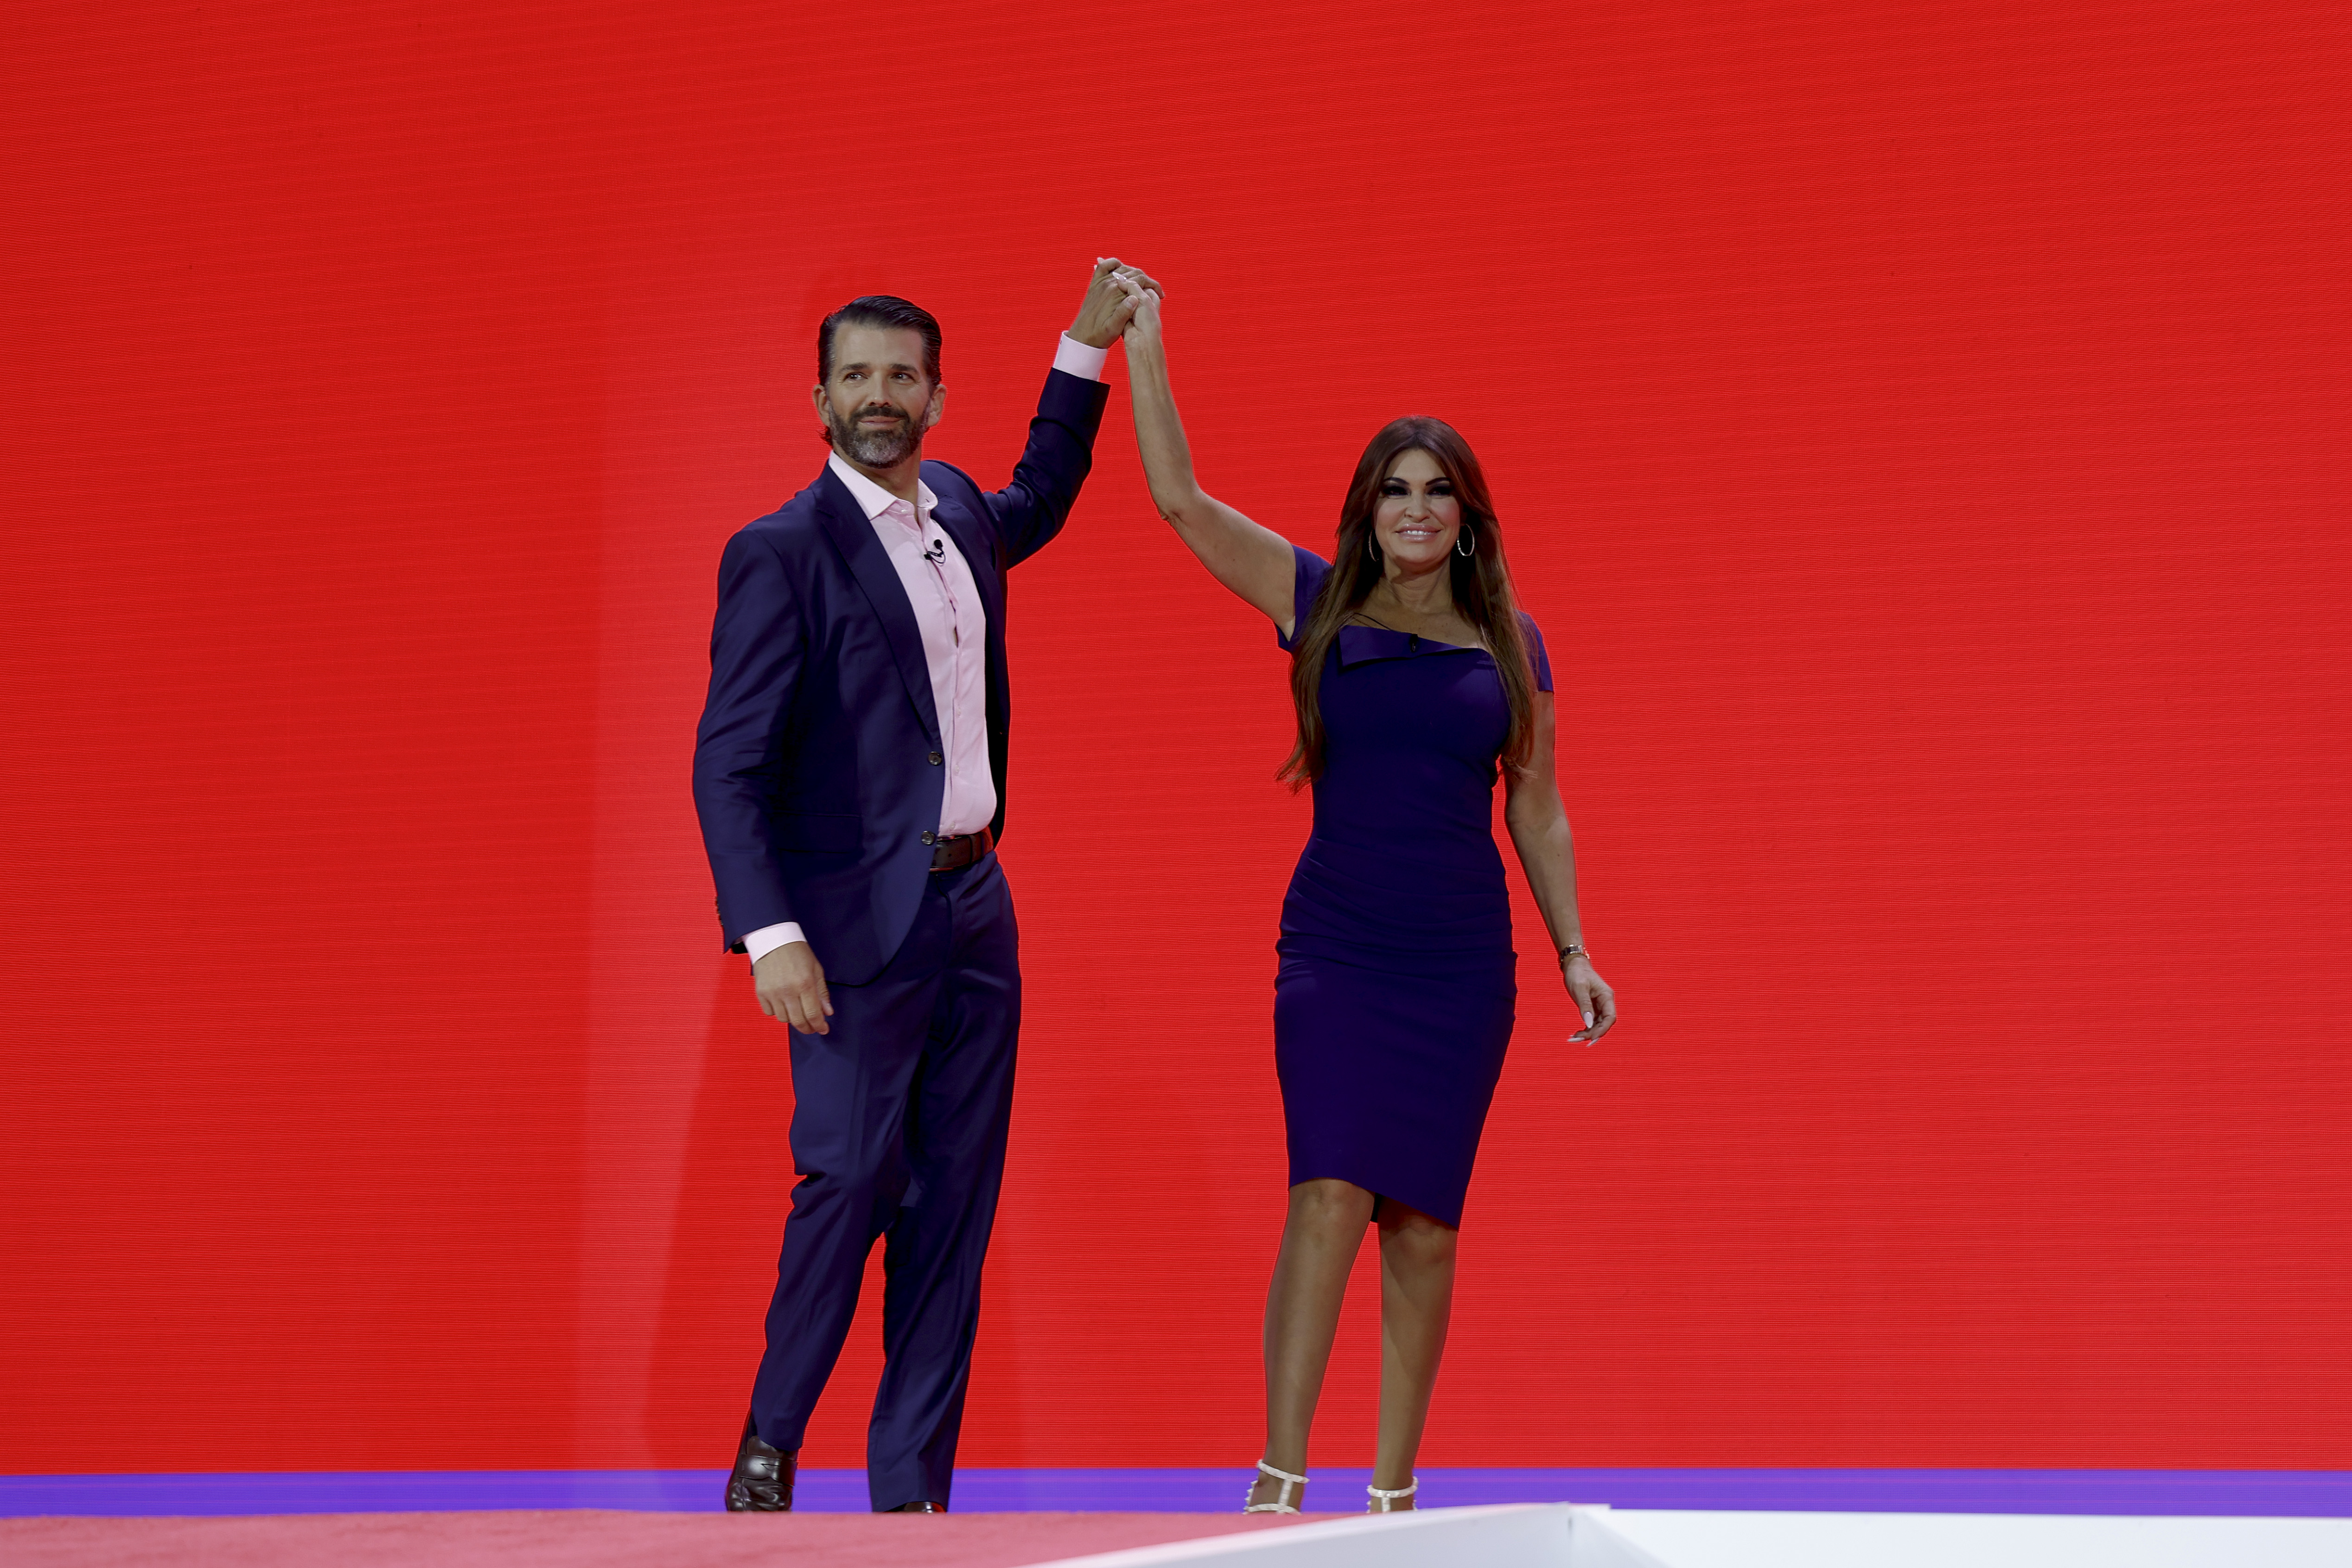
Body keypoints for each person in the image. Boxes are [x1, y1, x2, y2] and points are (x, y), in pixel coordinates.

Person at [1114, 276, 1619, 1515]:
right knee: (1329, 1189)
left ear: (1465, 516)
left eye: (1434, 489)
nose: (1413, 507)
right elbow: (1179, 503)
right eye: (1393, 488)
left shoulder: (1513, 645)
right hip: (1336, 952)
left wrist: (1572, 949)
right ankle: (1278, 1486)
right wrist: (1143, 346)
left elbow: (1535, 806)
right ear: (1366, 510)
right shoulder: (1315, 602)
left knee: (1425, 1226)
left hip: (1459, 964)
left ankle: (1391, 1499)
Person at [692, 261, 1153, 1514]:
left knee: (952, 1202)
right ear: (818, 401)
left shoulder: (954, 509)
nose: (878, 397)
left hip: (975, 912)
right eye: (855, 377)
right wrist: (769, 931)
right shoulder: (779, 552)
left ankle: (909, 1494)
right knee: (845, 1178)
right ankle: (768, 1449)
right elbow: (726, 765)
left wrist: (1081, 350)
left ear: (936, 398)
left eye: (901, 376)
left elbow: (1042, 494)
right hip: (848, 933)